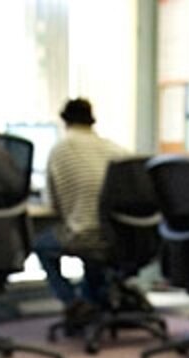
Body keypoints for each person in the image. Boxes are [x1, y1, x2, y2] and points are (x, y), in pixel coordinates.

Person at [32, 98, 129, 330]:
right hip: (120, 237)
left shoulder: (60, 150)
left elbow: (53, 205)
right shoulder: (116, 149)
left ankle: (73, 302)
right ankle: (91, 302)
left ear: (65, 121)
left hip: (84, 236)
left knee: (40, 245)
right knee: (94, 251)